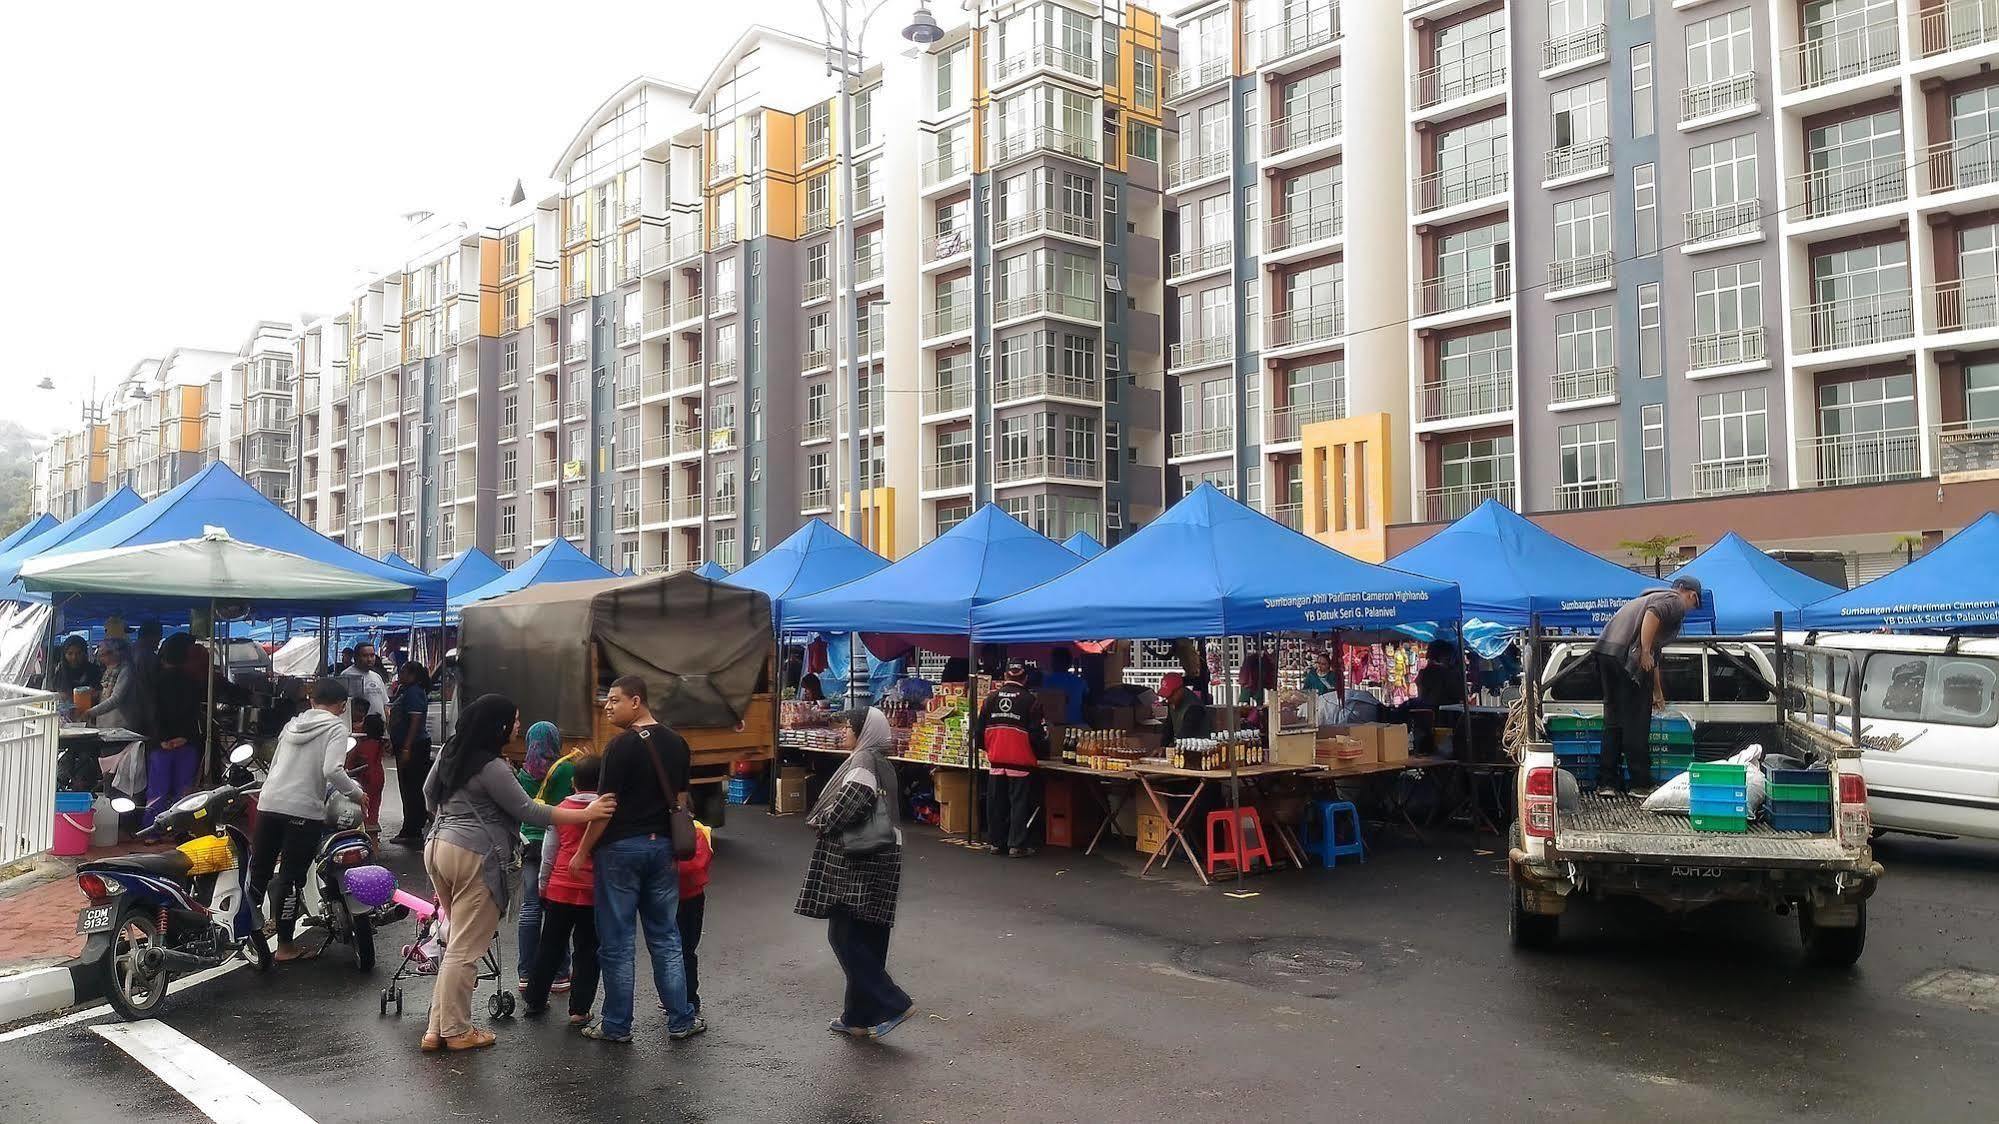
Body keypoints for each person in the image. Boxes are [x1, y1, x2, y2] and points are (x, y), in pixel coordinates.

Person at [421, 694, 614, 1052]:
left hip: (438, 847)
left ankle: (436, 1029)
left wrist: (453, 820)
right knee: (466, 947)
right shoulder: (491, 766)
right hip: (474, 854)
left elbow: (428, 795)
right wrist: (585, 815)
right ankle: (456, 1030)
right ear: (498, 725)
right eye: (514, 720)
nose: (518, 727)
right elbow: (529, 811)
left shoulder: (452, 751)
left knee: (455, 942)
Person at [569, 675, 704, 1044]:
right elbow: (681, 798)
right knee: (666, 938)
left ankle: (616, 1025)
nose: (608, 707)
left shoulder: (620, 747)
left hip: (620, 852)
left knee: (617, 942)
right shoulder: (677, 743)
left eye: (614, 700)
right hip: (662, 849)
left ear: (636, 701)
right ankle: (681, 1019)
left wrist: (582, 851)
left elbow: (605, 808)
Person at [795, 706, 912, 1039]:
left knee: (843, 935)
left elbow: (853, 800)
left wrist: (823, 821)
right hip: (884, 854)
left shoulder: (862, 761)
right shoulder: (881, 761)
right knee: (868, 936)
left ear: (864, 732)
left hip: (860, 858)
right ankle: (857, 1017)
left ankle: (894, 1002)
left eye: (849, 727)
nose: (844, 732)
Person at [251, 679, 368, 963]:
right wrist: (357, 793)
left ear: (312, 701)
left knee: (260, 872)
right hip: (302, 810)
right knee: (291, 875)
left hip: (269, 803)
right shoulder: (336, 727)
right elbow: (332, 769)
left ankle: (246, 938)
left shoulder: (291, 725)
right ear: (342, 706)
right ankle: (285, 946)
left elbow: (276, 764)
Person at [1593, 576, 1703, 798]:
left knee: (1613, 720)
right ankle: (1640, 783)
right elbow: (1652, 615)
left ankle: (1607, 783)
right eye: (1694, 603)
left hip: (1606, 652)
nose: (1690, 609)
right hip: (1626, 657)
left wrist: (1657, 692)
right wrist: (1643, 651)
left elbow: (1653, 660)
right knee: (1636, 721)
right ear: (1690, 594)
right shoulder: (1673, 601)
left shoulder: (1647, 598)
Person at [527, 755, 604, 1024]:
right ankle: (579, 1009)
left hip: (559, 887)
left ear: (573, 783)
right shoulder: (606, 812)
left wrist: (543, 884)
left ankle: (535, 1000)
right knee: (587, 949)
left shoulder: (561, 809)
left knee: (550, 945)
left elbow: (549, 852)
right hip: (592, 889)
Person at [970, 660, 1047, 858]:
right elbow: (1038, 735)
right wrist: (1040, 754)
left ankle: (995, 843)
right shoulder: (1031, 700)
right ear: (1025, 677)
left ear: (1005, 676)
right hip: (1020, 761)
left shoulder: (990, 699)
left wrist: (990, 749)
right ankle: (1016, 845)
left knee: (996, 803)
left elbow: (978, 732)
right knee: (1018, 803)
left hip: (996, 760)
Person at [515, 721, 569, 996]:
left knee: (530, 907)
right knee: (558, 909)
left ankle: (525, 973)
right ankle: (560, 975)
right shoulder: (564, 769)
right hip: (558, 844)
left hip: (528, 845)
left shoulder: (522, 772)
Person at [147, 634, 203, 827]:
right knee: (184, 791)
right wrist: (184, 737)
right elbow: (194, 713)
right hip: (186, 743)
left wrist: (163, 738)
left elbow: (153, 713)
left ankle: (153, 830)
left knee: (157, 791)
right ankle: (182, 829)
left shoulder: (155, 681)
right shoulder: (192, 681)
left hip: (161, 744)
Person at [388, 662, 433, 845]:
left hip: (414, 746)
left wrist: (406, 747)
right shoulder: (406, 690)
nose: (400, 675)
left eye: (403, 672)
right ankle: (413, 826)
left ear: (412, 674)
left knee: (411, 788)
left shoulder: (414, 692)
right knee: (410, 787)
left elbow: (415, 720)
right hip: (408, 744)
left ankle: (412, 829)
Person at [677, 817, 713, 1017]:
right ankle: (685, 997)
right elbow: (699, 864)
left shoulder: (695, 832)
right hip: (690, 896)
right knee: (684, 950)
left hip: (681, 898)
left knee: (680, 950)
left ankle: (687, 997)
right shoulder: (696, 831)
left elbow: (695, 865)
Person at [82, 639, 138, 731]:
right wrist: (97, 694)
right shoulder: (110, 669)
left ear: (116, 653)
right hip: (106, 725)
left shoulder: (126, 670)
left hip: (121, 726)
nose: (100, 658)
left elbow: (116, 699)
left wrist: (90, 712)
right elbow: (106, 693)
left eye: (103, 654)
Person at [346, 714, 387, 834]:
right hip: (378, 776)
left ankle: (365, 830)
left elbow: (350, 763)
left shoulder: (361, 744)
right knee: (375, 804)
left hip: (364, 778)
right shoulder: (380, 742)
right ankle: (373, 825)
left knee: (362, 805)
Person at [48, 635, 102, 717]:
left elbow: (100, 693)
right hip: (65, 716)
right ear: (64, 654)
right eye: (70, 653)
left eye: (78, 653)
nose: (74, 657)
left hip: (92, 715)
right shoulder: (59, 673)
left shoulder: (94, 670)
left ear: (84, 653)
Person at [1042, 648, 1087, 725]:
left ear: (1053, 662)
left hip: (1054, 725)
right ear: (1069, 663)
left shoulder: (1047, 680)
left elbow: (1044, 702)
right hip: (1076, 725)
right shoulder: (1080, 681)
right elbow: (1086, 696)